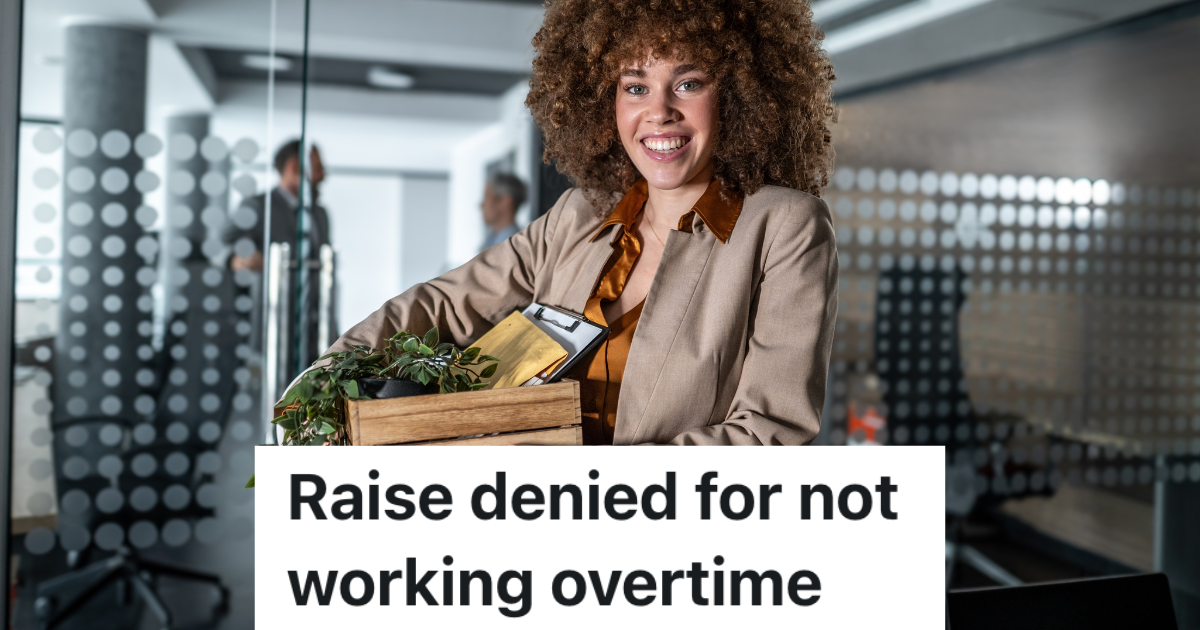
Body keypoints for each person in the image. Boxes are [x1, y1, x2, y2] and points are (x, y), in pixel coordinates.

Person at [321, 0, 838, 445]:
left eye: (687, 83)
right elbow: (445, 303)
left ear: (738, 95)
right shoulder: (578, 216)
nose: (659, 111)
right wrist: (326, 378)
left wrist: (583, 487)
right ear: (604, 100)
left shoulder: (784, 227)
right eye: (635, 87)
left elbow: (769, 431)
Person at [225, 139, 333, 367]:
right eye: (318, 168)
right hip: (270, 329)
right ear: (294, 167)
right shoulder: (258, 206)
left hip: (314, 330)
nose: (323, 176)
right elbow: (222, 249)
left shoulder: (320, 214)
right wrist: (237, 259)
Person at [480, 172, 527, 251]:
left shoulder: (517, 247)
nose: (482, 205)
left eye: (487, 196)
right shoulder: (490, 242)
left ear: (506, 202)